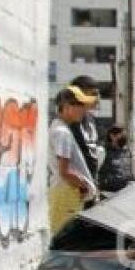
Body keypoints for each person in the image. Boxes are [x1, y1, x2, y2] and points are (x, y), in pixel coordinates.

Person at [48, 86, 99, 232]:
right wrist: (83, 185)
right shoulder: (62, 132)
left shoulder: (58, 127)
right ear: (67, 106)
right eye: (80, 105)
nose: (84, 110)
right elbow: (64, 172)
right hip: (67, 194)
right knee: (64, 244)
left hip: (66, 192)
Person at [68, 75, 103, 183]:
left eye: (98, 94)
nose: (98, 99)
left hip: (90, 186)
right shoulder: (67, 122)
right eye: (93, 94)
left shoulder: (91, 120)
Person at [97, 124, 134, 193]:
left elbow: (129, 171)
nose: (123, 138)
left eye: (124, 135)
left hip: (126, 192)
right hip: (108, 193)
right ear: (112, 136)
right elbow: (96, 172)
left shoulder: (127, 151)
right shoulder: (103, 151)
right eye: (121, 135)